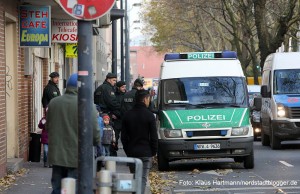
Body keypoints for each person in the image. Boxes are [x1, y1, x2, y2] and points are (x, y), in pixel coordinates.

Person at [46, 73, 100, 194]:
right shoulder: (87, 105)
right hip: (77, 156)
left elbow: (48, 127)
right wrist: (97, 143)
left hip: (57, 155)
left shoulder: (54, 103)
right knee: (74, 187)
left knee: (58, 188)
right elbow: (95, 131)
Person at [121, 89, 158, 194]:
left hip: (132, 152)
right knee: (142, 179)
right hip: (146, 152)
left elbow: (123, 137)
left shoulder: (127, 115)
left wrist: (127, 150)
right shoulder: (149, 115)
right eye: (149, 99)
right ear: (145, 99)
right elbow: (154, 137)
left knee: (135, 178)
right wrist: (153, 152)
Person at [111, 81, 126, 156]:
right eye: (122, 87)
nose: (124, 88)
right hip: (116, 120)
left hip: (123, 120)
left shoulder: (126, 95)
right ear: (118, 87)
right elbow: (112, 106)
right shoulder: (114, 95)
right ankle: (114, 154)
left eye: (125, 87)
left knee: (125, 139)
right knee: (114, 138)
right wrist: (114, 114)